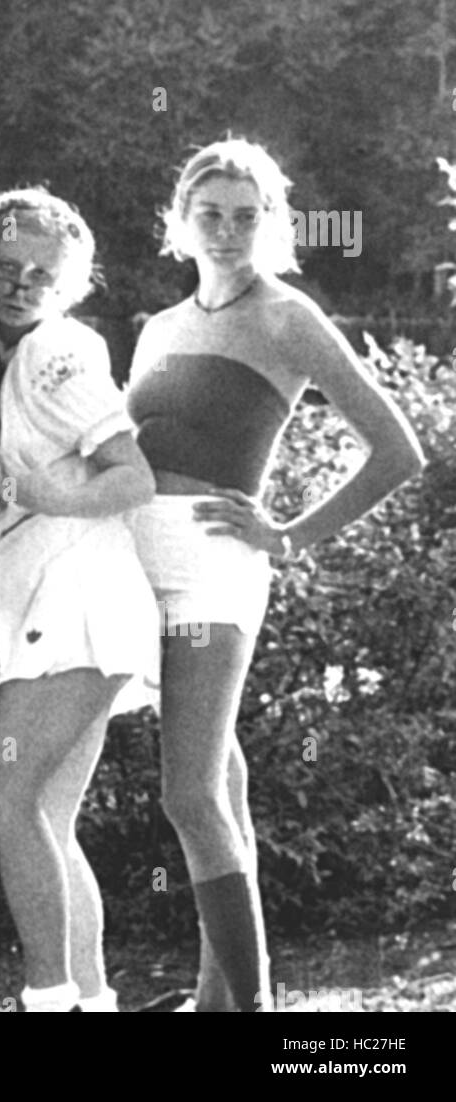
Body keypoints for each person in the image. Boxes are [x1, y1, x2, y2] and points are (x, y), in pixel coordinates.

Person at [126, 139, 424, 1012]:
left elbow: (395, 451)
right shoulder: (157, 327)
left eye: (244, 216)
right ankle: (213, 998)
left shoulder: (286, 317)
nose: (225, 231)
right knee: (219, 781)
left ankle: (252, 1014)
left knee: (188, 793)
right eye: (209, 214)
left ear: (270, 224)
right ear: (180, 221)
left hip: (214, 565)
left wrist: (288, 536)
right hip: (138, 559)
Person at [0, 189, 158, 1013]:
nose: (19, 285)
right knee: (43, 814)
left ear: (69, 286)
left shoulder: (55, 349)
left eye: (41, 275)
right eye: (4, 266)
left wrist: (47, 496)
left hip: (77, 599)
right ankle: (92, 1001)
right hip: (52, 596)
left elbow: (131, 478)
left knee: (1, 801)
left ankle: (46, 1002)